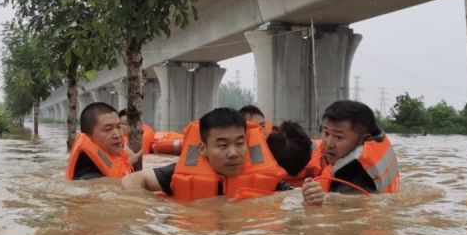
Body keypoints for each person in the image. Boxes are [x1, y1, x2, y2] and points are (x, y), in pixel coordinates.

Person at [121, 107, 310, 201]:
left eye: (240, 143)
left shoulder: (269, 181)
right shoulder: (178, 173)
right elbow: (131, 181)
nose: (233, 153)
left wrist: (312, 195)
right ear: (203, 149)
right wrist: (152, 208)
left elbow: (297, 198)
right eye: (222, 145)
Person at [301, 100, 400, 205]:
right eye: (326, 133)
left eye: (339, 137)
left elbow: (344, 214)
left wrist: (315, 203)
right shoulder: (374, 144)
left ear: (363, 139)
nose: (329, 144)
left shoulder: (351, 180)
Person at [66, 102, 140, 180]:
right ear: (88, 136)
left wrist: (127, 162)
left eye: (118, 127)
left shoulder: (110, 152)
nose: (117, 135)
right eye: (108, 129)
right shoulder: (88, 175)